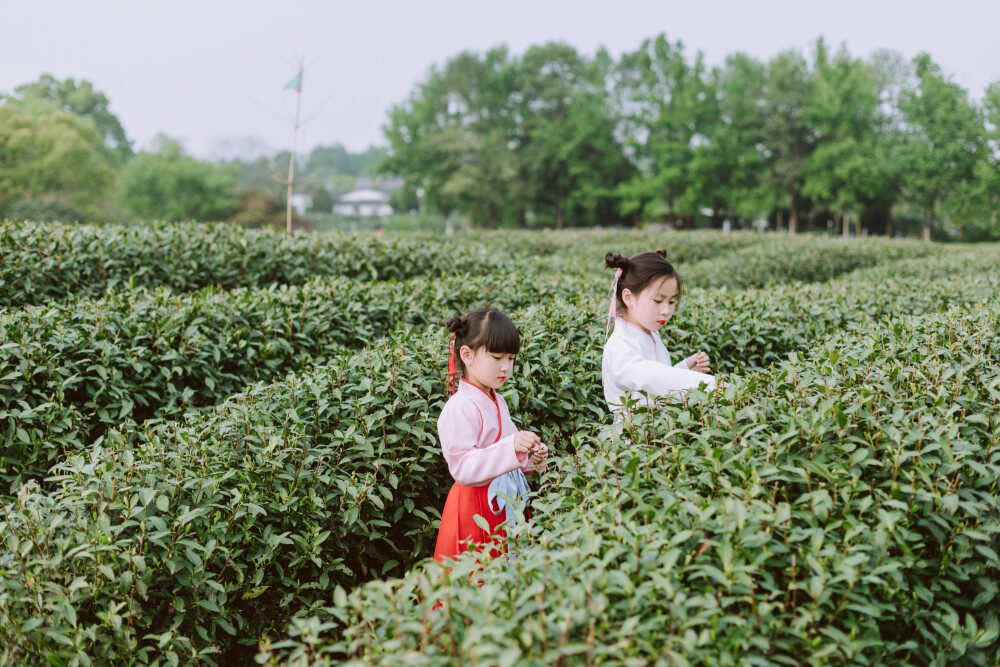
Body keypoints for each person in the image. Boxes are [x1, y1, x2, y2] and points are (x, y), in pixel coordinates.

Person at [433, 307, 548, 561]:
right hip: (476, 505)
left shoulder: (498, 400)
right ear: (467, 355)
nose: (505, 367)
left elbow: (510, 454)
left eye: (511, 359)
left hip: (506, 499)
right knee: (480, 573)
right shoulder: (459, 406)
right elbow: (462, 467)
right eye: (497, 358)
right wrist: (512, 448)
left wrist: (530, 458)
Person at [602, 250, 718, 419]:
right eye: (658, 301)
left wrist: (685, 368)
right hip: (632, 439)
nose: (666, 311)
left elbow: (655, 386)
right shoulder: (619, 344)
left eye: (672, 302)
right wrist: (710, 385)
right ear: (628, 297)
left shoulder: (650, 333)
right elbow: (649, 377)